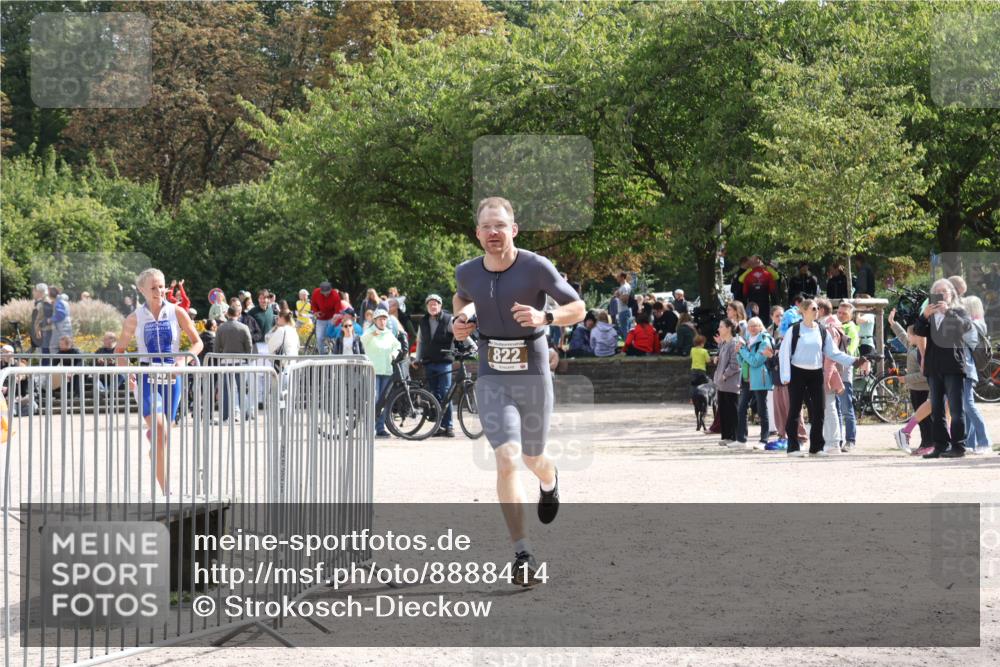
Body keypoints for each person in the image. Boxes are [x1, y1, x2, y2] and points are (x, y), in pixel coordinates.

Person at [452, 196, 585, 586]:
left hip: (533, 373)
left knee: (533, 457)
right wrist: (462, 318)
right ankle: (523, 553)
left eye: (500, 225)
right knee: (506, 458)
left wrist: (547, 316)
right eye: (486, 227)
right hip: (491, 374)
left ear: (514, 230)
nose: (493, 233)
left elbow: (576, 307)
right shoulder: (466, 271)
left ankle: (550, 479)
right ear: (477, 233)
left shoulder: (535, 266)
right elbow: (464, 297)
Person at [115, 268, 203, 494]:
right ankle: (166, 492)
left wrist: (183, 360)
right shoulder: (134, 319)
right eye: (153, 287)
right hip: (148, 377)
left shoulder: (177, 312)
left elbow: (197, 342)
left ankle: (155, 445)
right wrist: (128, 375)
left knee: (164, 436)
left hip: (172, 378)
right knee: (161, 427)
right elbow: (120, 351)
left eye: (162, 286)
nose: (159, 291)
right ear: (142, 290)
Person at [778, 298, 860, 457]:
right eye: (813, 309)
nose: (817, 311)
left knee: (819, 411)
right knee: (795, 410)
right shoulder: (794, 330)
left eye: (817, 309)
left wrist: (854, 361)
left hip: (816, 373)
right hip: (797, 373)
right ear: (803, 311)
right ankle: (793, 447)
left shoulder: (822, 330)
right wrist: (786, 375)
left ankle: (816, 447)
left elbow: (833, 352)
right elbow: (784, 353)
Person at [914, 279, 979, 459]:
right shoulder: (931, 314)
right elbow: (918, 332)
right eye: (937, 291)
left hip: (953, 366)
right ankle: (940, 446)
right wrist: (924, 316)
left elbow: (965, 327)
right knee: (936, 409)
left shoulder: (958, 311)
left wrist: (947, 311)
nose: (941, 294)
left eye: (944, 292)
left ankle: (958, 447)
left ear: (951, 295)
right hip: (934, 367)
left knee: (957, 409)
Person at [889, 308, 932, 454]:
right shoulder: (912, 346)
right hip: (915, 388)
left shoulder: (921, 351)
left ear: (916, 336)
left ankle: (928, 444)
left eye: (909, 335)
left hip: (923, 389)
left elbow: (924, 375)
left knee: (926, 420)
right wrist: (893, 323)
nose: (907, 337)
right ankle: (924, 444)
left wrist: (905, 378)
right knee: (922, 420)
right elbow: (902, 335)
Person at [412, 294, 455, 438]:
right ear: (427, 307)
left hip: (444, 363)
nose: (433, 306)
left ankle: (449, 426)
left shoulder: (449, 319)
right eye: (430, 304)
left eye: (435, 304)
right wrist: (417, 359)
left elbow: (460, 334)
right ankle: (438, 426)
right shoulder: (423, 321)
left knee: (445, 394)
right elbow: (421, 342)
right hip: (429, 363)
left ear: (440, 305)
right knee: (434, 396)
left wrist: (473, 346)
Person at [734, 317, 774, 450]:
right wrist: (739, 352)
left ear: (760, 327)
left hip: (759, 380)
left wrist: (743, 351)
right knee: (741, 408)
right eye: (750, 326)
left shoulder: (764, 340)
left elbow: (756, 361)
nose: (752, 328)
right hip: (746, 379)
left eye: (755, 325)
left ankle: (764, 440)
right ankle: (741, 439)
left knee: (762, 410)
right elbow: (742, 362)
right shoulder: (746, 340)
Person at [362, 308, 402, 439]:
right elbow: (362, 341)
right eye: (380, 319)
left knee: (384, 400)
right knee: (374, 398)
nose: (382, 321)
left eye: (385, 319)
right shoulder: (369, 332)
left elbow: (397, 346)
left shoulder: (389, 333)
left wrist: (394, 353)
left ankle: (380, 428)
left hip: (386, 370)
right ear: (375, 320)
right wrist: (372, 334)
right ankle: (371, 428)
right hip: (373, 370)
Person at [817, 299, 849, 454]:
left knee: (829, 407)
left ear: (821, 310)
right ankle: (831, 441)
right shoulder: (833, 325)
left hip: (828, 373)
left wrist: (827, 376)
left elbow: (830, 356)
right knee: (828, 407)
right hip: (830, 372)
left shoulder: (829, 327)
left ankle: (833, 442)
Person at [961, 295, 992, 453]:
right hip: (968, 368)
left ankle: (984, 441)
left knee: (968, 405)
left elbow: (969, 341)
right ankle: (970, 442)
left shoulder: (974, 324)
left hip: (968, 368)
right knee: (967, 407)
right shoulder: (977, 323)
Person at [216, 306, 254, 423]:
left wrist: (218, 360)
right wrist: (247, 358)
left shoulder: (221, 328)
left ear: (227, 314)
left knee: (226, 390)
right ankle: (246, 415)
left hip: (225, 362)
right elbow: (249, 346)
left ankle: (225, 416)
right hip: (241, 362)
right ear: (238, 314)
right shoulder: (244, 327)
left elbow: (216, 347)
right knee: (242, 389)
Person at [834, 301, 861, 451]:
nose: (840, 315)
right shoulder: (834, 326)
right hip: (833, 373)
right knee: (836, 408)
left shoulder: (851, 329)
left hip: (844, 374)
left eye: (844, 313)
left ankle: (850, 440)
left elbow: (849, 350)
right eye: (839, 312)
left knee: (846, 408)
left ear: (851, 315)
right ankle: (837, 439)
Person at [714, 319, 742, 446]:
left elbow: (736, 365)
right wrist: (716, 359)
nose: (719, 329)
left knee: (732, 411)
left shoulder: (734, 343)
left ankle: (734, 437)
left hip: (731, 383)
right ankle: (726, 436)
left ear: (729, 328)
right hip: (722, 383)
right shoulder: (725, 343)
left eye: (721, 326)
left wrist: (724, 375)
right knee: (724, 411)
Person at [310, 281, 342, 354]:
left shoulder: (335, 295)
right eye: (324, 293)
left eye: (327, 293)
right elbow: (313, 304)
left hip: (332, 318)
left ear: (331, 290)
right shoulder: (316, 292)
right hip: (321, 319)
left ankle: (335, 353)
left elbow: (338, 309)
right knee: (319, 338)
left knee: (335, 337)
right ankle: (322, 356)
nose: (325, 294)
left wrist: (335, 318)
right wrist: (316, 312)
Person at [30, 283, 48, 353]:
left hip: (42, 333)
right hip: (40, 332)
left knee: (43, 354)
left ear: (39, 292)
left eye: (35, 291)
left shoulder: (42, 302)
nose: (33, 293)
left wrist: (37, 330)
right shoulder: (39, 302)